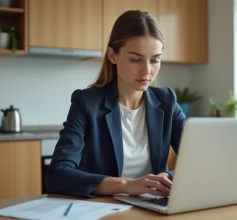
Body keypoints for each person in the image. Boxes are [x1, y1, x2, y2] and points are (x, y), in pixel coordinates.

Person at [45, 10, 186, 198]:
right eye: (135, 59)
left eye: (155, 60)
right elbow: (57, 175)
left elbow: (200, 161)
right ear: (113, 55)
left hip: (153, 208)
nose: (147, 70)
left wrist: (168, 177)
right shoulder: (86, 103)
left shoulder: (167, 101)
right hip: (105, 208)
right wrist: (126, 185)